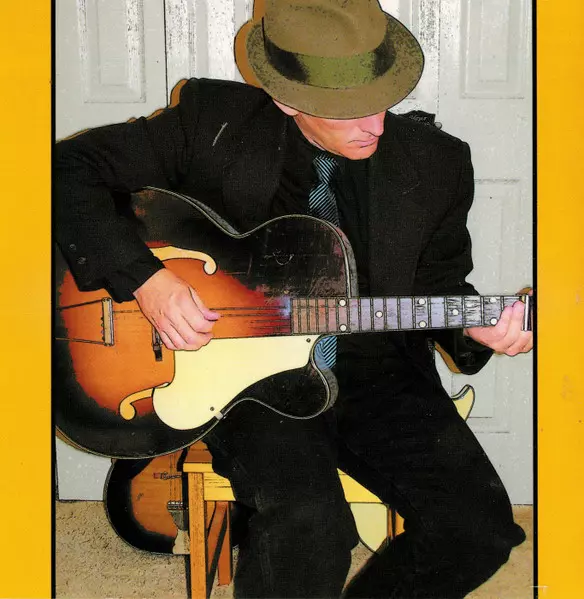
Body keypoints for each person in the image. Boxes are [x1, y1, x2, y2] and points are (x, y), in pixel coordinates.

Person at [55, 0, 533, 597]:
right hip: (244, 382)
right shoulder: (213, 123)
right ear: (287, 100)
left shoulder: (438, 162)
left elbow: (439, 286)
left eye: (383, 101)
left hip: (375, 372)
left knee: (477, 530)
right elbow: (66, 170)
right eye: (348, 111)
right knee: (309, 526)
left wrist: (477, 327)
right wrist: (146, 279)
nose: (376, 125)